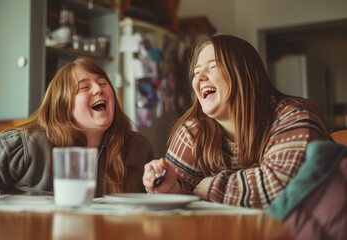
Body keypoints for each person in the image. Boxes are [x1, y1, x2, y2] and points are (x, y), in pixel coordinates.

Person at [142, 35, 331, 209]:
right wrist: (169, 188)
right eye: (196, 72)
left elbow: (281, 187)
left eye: (213, 66)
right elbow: (179, 200)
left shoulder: (294, 117)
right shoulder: (193, 132)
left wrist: (209, 187)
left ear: (244, 73)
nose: (199, 77)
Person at [0, 57, 154, 201]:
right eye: (84, 87)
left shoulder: (138, 148)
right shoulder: (26, 144)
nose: (99, 88)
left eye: (103, 83)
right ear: (63, 103)